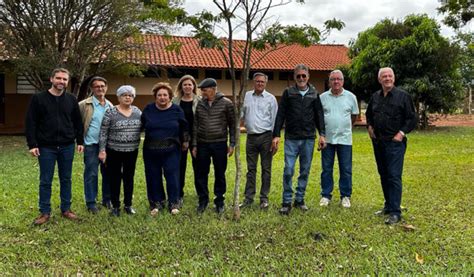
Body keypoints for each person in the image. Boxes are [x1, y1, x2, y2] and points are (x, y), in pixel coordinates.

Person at [25, 68, 84, 225]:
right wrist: (32, 144)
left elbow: (77, 122)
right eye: (58, 78)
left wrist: (80, 141)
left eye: (65, 79)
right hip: (46, 147)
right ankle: (44, 212)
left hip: (67, 146)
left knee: (66, 178)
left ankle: (66, 209)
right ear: (51, 79)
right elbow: (31, 122)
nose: (61, 82)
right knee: (45, 180)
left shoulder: (71, 99)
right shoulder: (38, 99)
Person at [272, 64, 326, 215]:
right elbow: (280, 114)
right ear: (294, 77)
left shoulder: (315, 94)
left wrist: (322, 134)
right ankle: (287, 201)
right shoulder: (288, 93)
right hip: (291, 138)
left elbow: (319, 115)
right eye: (298, 76)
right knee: (288, 169)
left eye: (304, 76)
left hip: (308, 138)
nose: (301, 78)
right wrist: (276, 135)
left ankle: (300, 199)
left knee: (304, 170)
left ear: (308, 77)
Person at [366, 67, 417, 225]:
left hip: (395, 143)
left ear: (394, 78)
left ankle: (396, 212)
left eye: (390, 76)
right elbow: (369, 115)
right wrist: (370, 127)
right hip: (379, 142)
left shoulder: (403, 96)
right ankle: (388, 206)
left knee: (394, 176)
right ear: (379, 79)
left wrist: (401, 133)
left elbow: (411, 118)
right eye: (384, 76)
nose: (387, 78)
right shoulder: (375, 97)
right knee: (383, 174)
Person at [142, 82, 189, 216]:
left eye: (165, 95)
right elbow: (142, 124)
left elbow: (184, 126)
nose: (162, 97)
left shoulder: (176, 110)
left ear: (170, 96)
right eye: (159, 95)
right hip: (151, 149)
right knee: (153, 176)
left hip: (172, 149)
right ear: (155, 96)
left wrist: (185, 141)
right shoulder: (148, 109)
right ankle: (156, 203)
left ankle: (174, 203)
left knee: (172, 175)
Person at [192, 78, 236, 214]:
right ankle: (203, 200)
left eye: (204, 90)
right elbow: (195, 125)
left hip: (220, 143)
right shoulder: (200, 104)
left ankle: (219, 201)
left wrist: (232, 144)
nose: (202, 93)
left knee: (219, 173)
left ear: (213, 89)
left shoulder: (227, 103)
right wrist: (194, 145)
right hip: (202, 144)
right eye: (202, 91)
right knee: (201, 173)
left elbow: (233, 125)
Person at [99, 85, 142, 217]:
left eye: (130, 95)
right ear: (119, 97)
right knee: (115, 179)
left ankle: (128, 205)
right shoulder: (110, 112)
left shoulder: (137, 112)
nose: (127, 97)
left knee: (129, 178)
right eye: (124, 95)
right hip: (114, 151)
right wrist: (102, 150)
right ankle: (115, 206)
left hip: (132, 151)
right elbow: (103, 132)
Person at [319, 70, 359, 208]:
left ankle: (345, 196)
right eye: (333, 79)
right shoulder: (322, 97)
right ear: (329, 81)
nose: (336, 82)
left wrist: (343, 127)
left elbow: (354, 117)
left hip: (345, 139)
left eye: (339, 79)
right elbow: (318, 118)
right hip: (327, 140)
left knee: (346, 169)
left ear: (343, 81)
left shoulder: (351, 97)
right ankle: (325, 195)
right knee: (326, 169)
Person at [239, 72, 278, 210]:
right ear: (253, 82)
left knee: (266, 169)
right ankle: (249, 198)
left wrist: (275, 138)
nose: (260, 84)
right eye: (257, 81)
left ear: (266, 83)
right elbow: (241, 114)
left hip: (266, 137)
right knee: (251, 169)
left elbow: (274, 120)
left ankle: (264, 198)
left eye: (262, 82)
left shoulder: (271, 99)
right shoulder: (247, 96)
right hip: (251, 137)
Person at [79, 76, 113, 213]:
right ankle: (91, 202)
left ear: (106, 87)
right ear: (92, 89)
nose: (100, 88)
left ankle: (107, 199)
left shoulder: (111, 106)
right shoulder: (83, 105)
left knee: (108, 174)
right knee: (91, 174)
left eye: (102, 86)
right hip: (91, 145)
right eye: (97, 86)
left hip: (108, 146)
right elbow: (77, 124)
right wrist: (79, 141)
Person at [172, 75, 200, 208]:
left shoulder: (199, 101)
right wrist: (184, 139)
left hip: (197, 138)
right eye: (185, 85)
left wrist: (191, 140)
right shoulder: (175, 101)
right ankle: (179, 194)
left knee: (199, 167)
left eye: (190, 84)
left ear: (194, 86)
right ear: (181, 87)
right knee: (179, 167)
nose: (187, 87)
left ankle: (201, 193)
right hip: (179, 139)